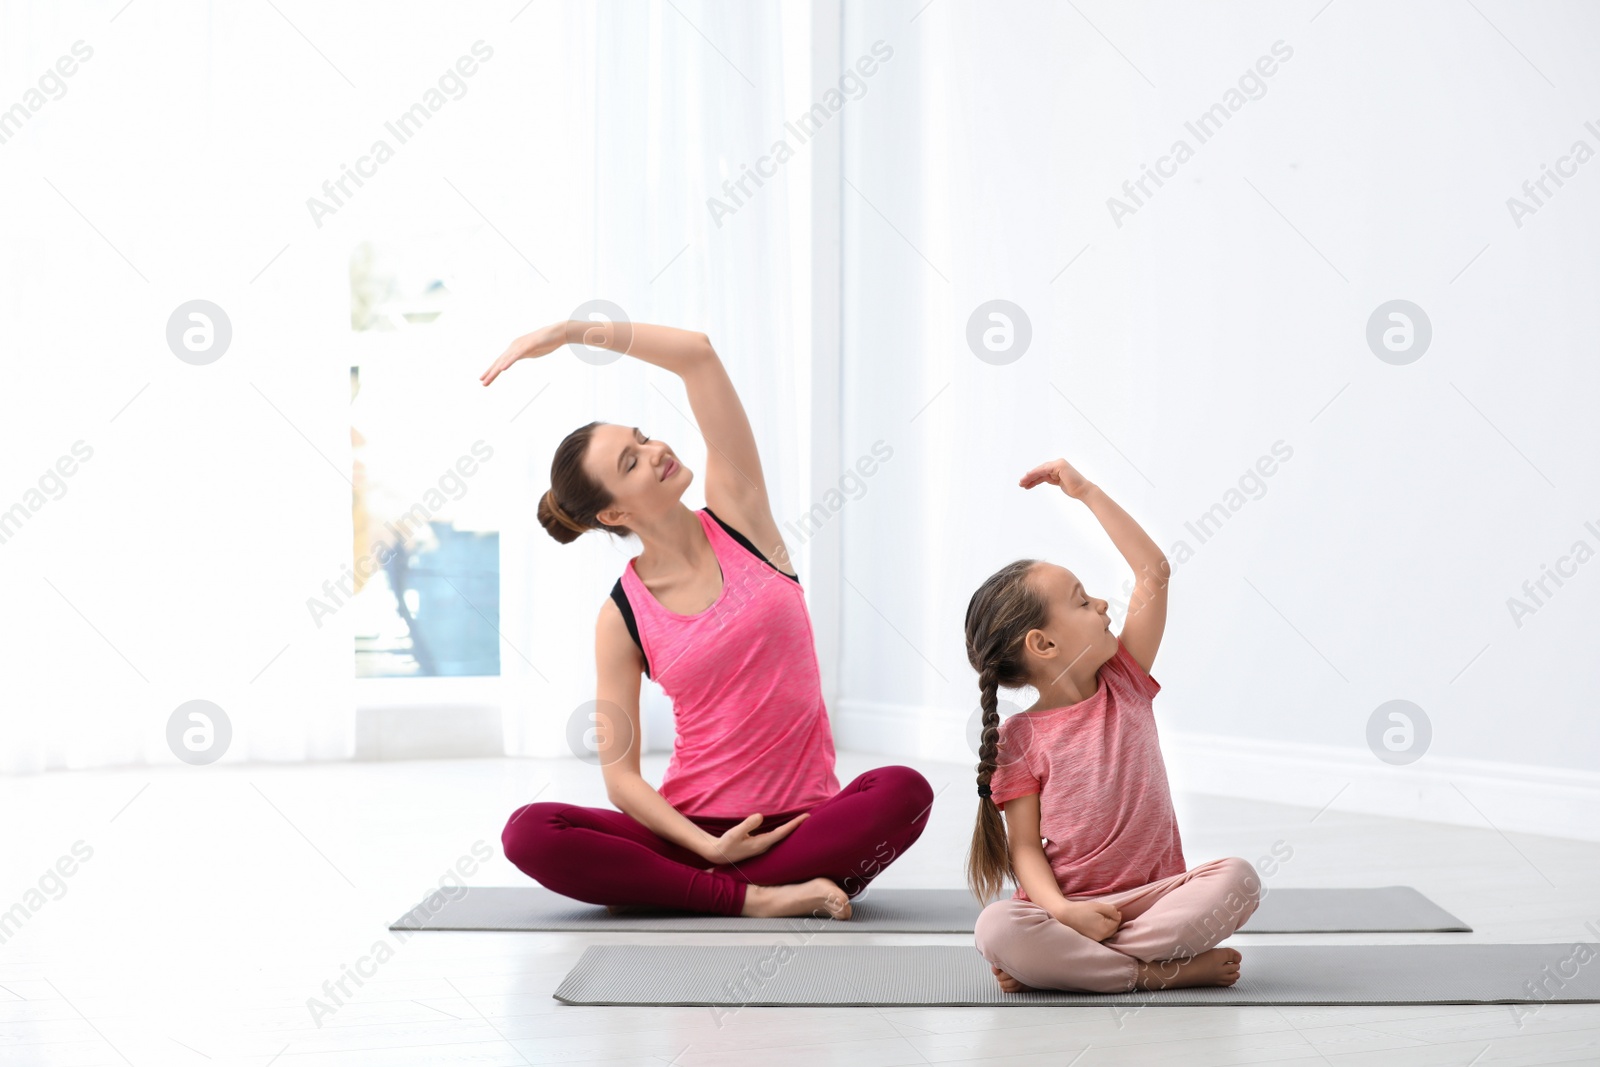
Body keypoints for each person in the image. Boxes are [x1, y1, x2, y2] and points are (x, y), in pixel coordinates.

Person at [482, 318, 934, 919]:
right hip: (690, 833)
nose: (655, 451)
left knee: (906, 791)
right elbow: (622, 782)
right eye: (631, 461)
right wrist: (708, 846)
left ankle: (709, 891)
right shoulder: (621, 617)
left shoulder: (741, 518)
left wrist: (568, 333)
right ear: (614, 512)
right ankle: (754, 898)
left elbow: (696, 355)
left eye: (642, 438)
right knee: (530, 831)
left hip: (803, 824)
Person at [966, 455, 1259, 992]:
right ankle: (1153, 974)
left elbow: (1154, 572)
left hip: (1155, 901)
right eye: (1082, 601)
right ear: (1045, 644)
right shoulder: (1020, 740)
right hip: (1067, 912)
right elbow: (1025, 848)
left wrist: (1087, 492)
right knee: (996, 927)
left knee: (1238, 880)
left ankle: (1071, 968)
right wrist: (1063, 912)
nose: (1102, 603)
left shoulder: (1125, 680)